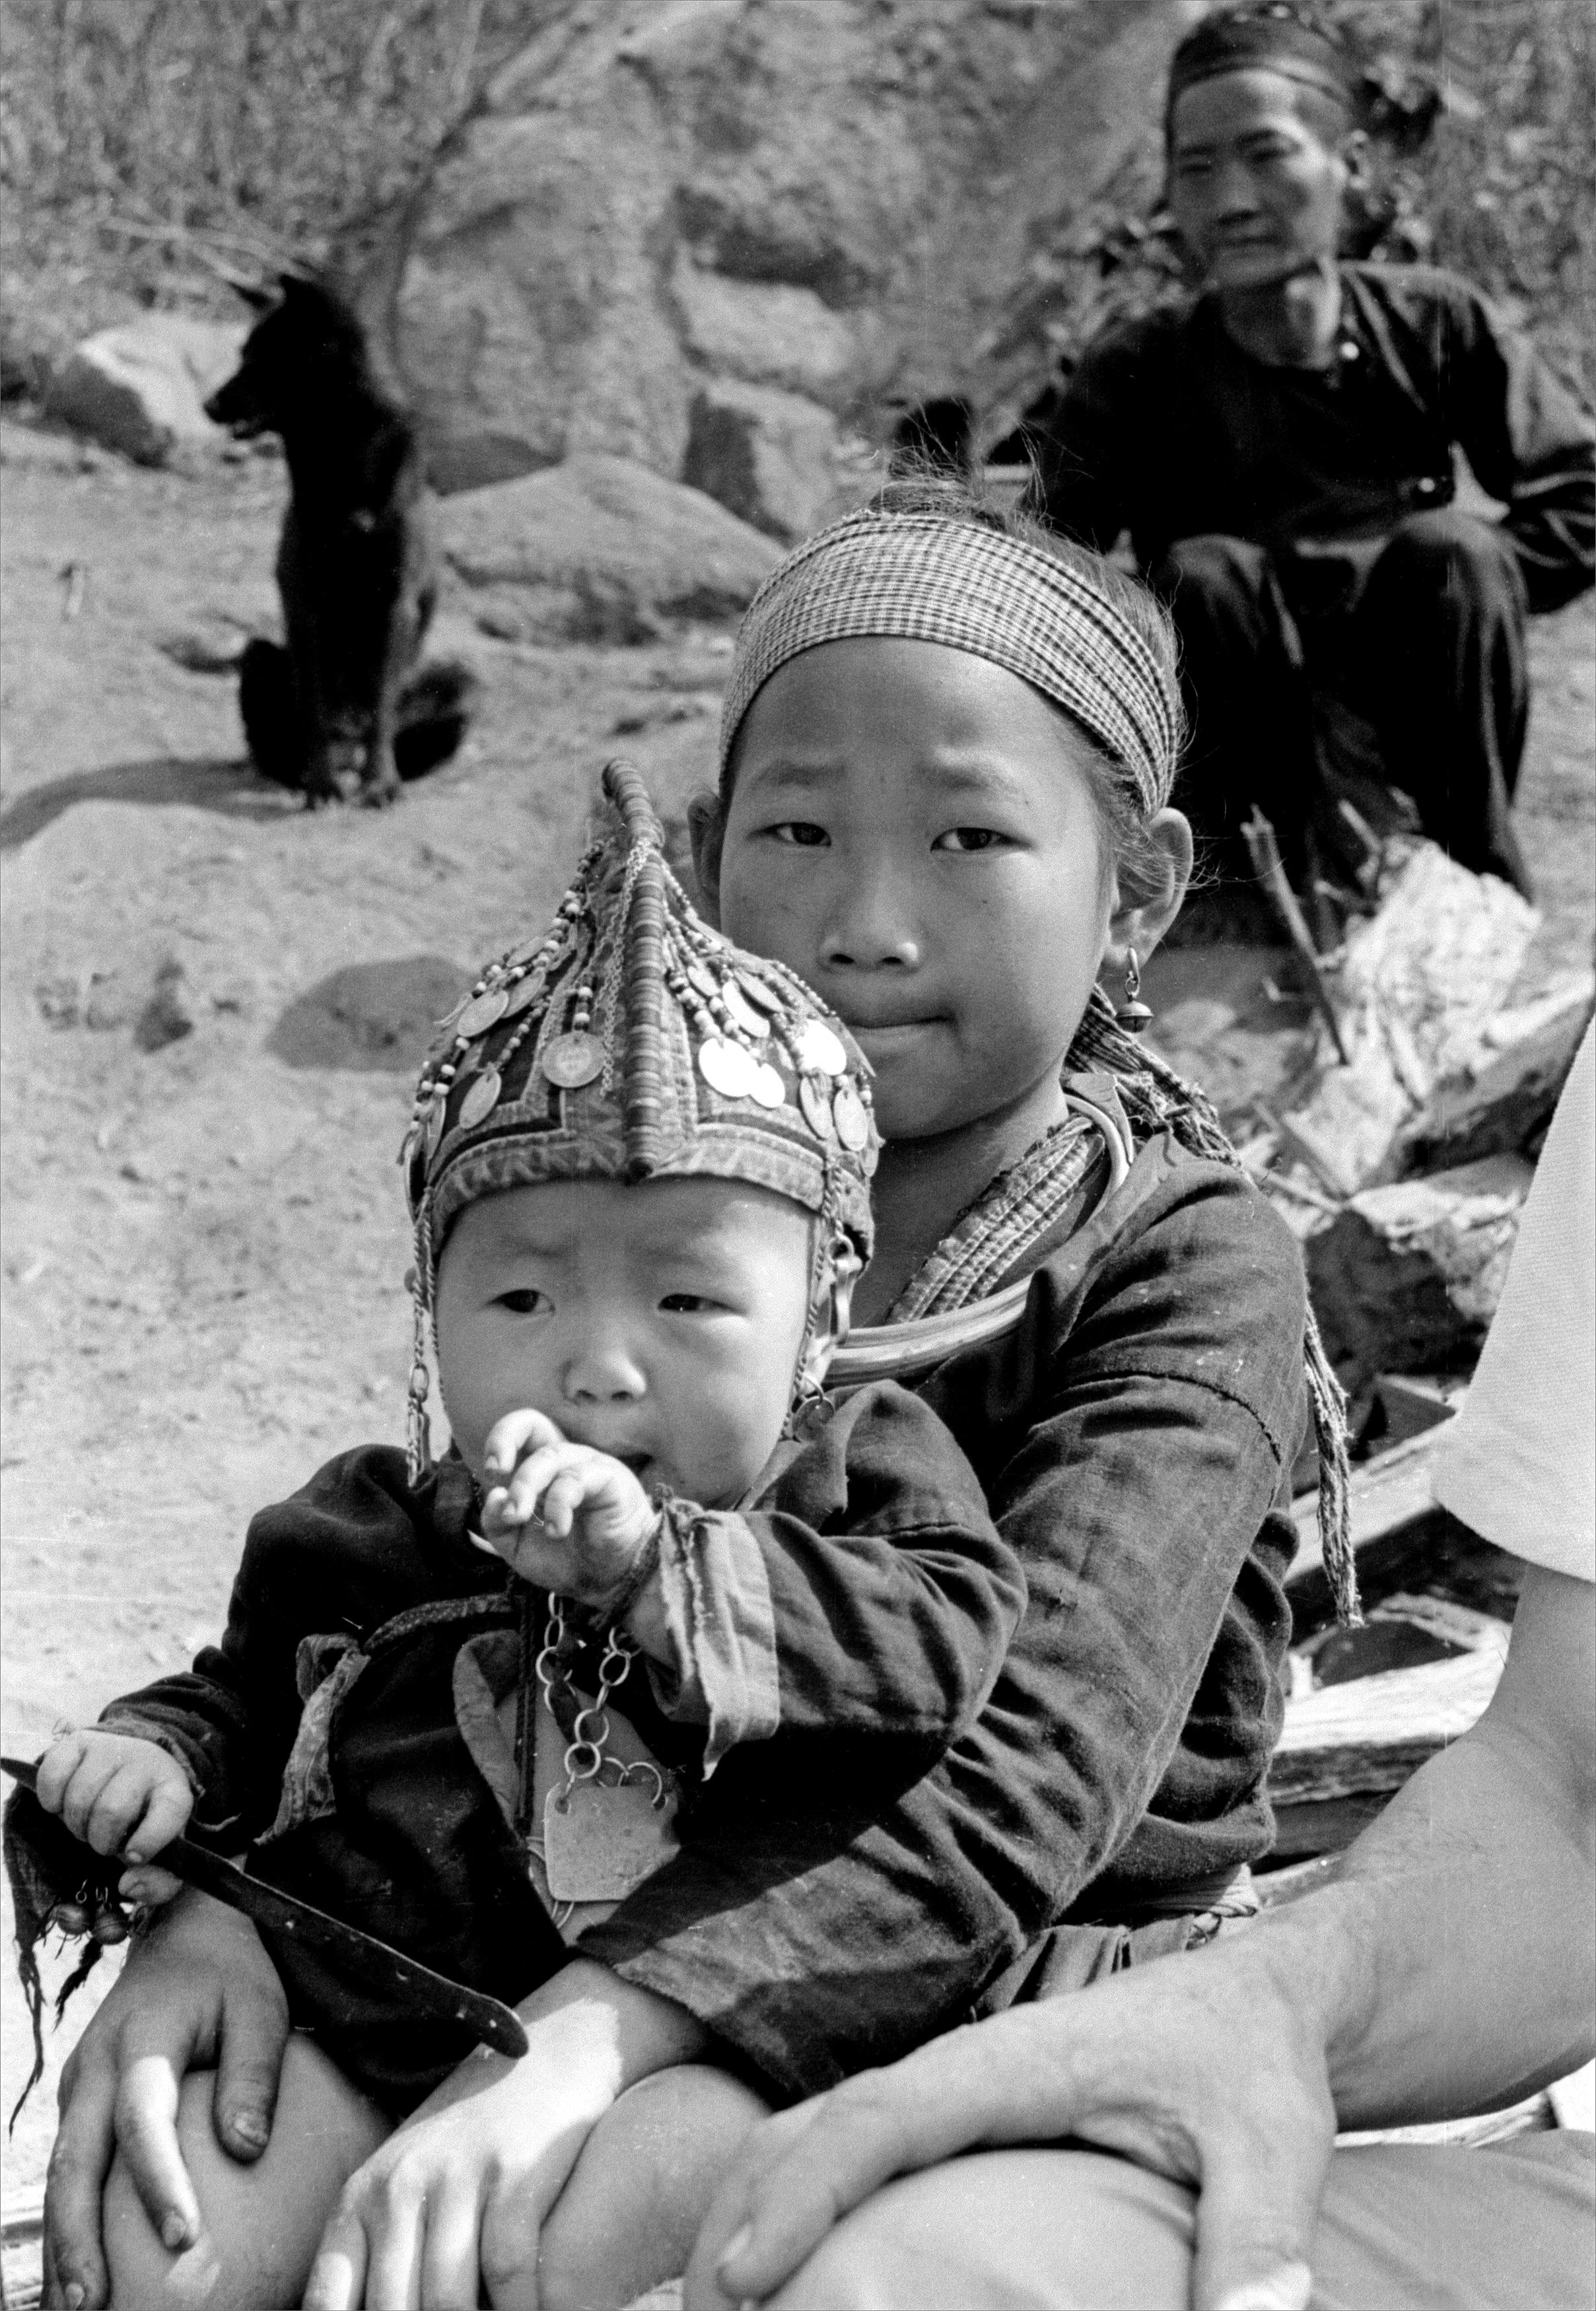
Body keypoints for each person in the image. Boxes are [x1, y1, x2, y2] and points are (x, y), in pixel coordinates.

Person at [33, 483, 1352, 2311]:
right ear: (720, 847)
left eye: (970, 836)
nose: (866, 922)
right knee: (170, 2226)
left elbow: (1030, 1768)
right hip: (529, 1899)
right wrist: (251, 1900)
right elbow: (411, 1593)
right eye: (797, 828)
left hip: (958, 1945)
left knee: (556, 2255)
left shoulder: (1178, 1261)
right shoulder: (621, 1175)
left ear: (1138, 888)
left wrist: (578, 2043)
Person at [11, 761, 1029, 2310]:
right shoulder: (375, 1526)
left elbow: (948, 1648)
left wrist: (657, 1573)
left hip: (698, 2047)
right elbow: (246, 1694)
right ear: (433, 1321)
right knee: (175, 2253)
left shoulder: (860, 1481)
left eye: (688, 1300)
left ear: (820, 1316)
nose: (600, 1362)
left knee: (561, 2248)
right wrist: (153, 1762)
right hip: (371, 2009)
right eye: (522, 1297)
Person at [682, 1023, 1596, 2311]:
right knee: (918, 2278)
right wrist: (1280, 1998)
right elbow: (1575, 1798)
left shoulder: (1189, 1264)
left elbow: (1053, 1733)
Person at [1034, 0, 1595, 899]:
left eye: (1265, 156)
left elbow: (1578, 498)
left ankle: (1466, 881)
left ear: (1351, 166)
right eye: (1197, 169)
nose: (1231, 201)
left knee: (1456, 554)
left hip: (1418, 704)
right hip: (1235, 727)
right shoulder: (1136, 368)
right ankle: (1232, 898)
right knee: (1202, 574)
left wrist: (1472, 599)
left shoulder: (1433, 323)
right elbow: (1043, 571)